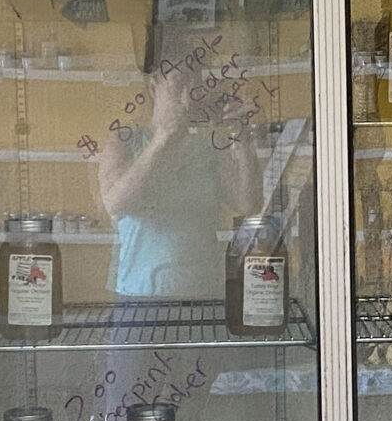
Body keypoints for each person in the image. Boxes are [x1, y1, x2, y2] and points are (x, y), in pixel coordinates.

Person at [97, 56, 269, 299]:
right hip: (138, 293)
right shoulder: (126, 140)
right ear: (153, 87)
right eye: (178, 83)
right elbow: (116, 203)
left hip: (203, 290)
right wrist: (164, 137)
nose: (188, 96)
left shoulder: (208, 147)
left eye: (195, 86)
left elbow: (248, 204)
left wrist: (242, 138)